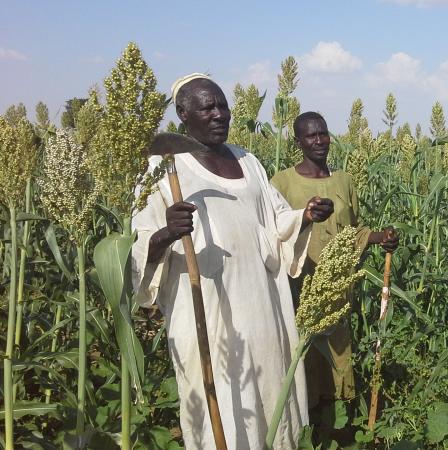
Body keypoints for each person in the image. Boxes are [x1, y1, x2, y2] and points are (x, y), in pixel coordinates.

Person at [131, 74, 334, 450]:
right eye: (208, 107)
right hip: (210, 319)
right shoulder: (165, 169)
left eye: (223, 105)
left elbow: (276, 222)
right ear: (183, 113)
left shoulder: (248, 160)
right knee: (224, 406)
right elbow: (139, 246)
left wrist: (303, 216)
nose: (219, 114)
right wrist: (166, 233)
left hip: (266, 311)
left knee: (273, 398)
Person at [271, 111, 398, 440]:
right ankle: (303, 428)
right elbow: (272, 232)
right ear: (298, 142)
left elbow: (352, 231)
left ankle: (334, 428)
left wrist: (380, 237)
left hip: (339, 287)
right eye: (310, 136)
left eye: (323, 134)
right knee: (303, 354)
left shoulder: (344, 180)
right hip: (299, 288)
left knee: (337, 353)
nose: (319, 141)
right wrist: (306, 216)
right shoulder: (281, 182)